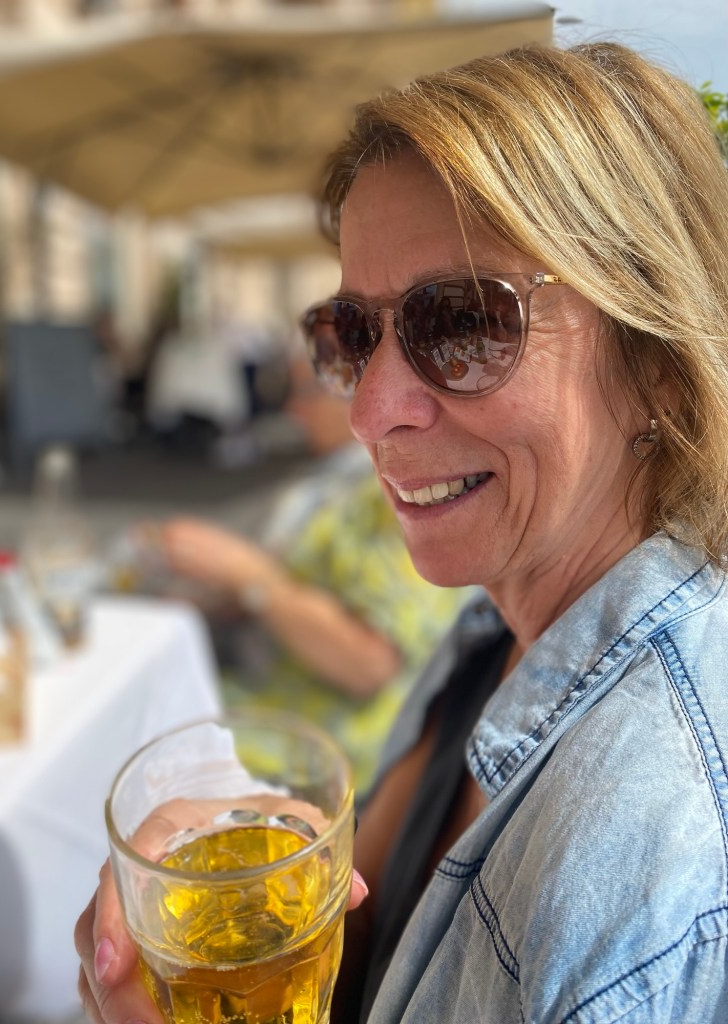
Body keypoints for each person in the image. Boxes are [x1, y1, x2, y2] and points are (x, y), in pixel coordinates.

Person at [75, 39, 728, 1023]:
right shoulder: (501, 625)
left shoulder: (628, 870)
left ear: (661, 366)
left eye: (461, 324)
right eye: (352, 333)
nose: (370, 410)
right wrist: (287, 874)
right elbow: (382, 937)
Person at [150, 356, 472, 793]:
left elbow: (369, 663)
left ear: (364, 389)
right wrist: (225, 589)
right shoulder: (338, 479)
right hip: (276, 699)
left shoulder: (397, 489)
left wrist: (248, 575)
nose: (293, 409)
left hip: (324, 744)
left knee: (136, 734)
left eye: (306, 392)